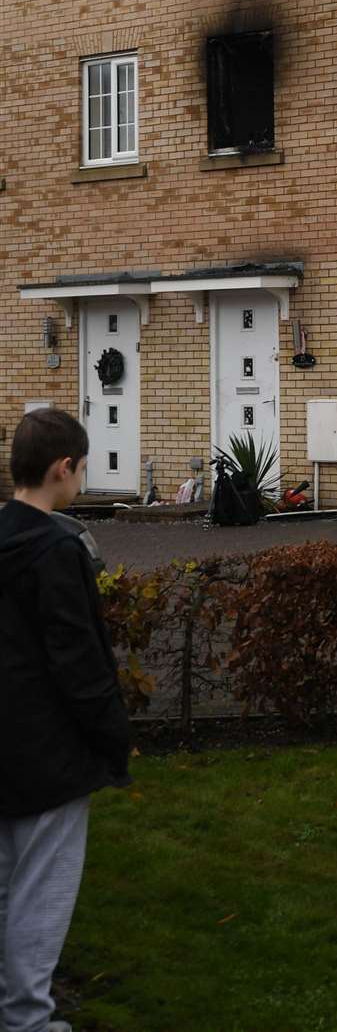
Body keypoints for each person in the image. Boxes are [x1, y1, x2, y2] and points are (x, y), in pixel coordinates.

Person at [0, 408, 131, 1032]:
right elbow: (80, 662)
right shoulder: (57, 549)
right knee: (41, 895)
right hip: (49, 752)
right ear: (63, 468)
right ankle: (26, 1018)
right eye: (81, 467)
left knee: (4, 886)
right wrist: (112, 738)